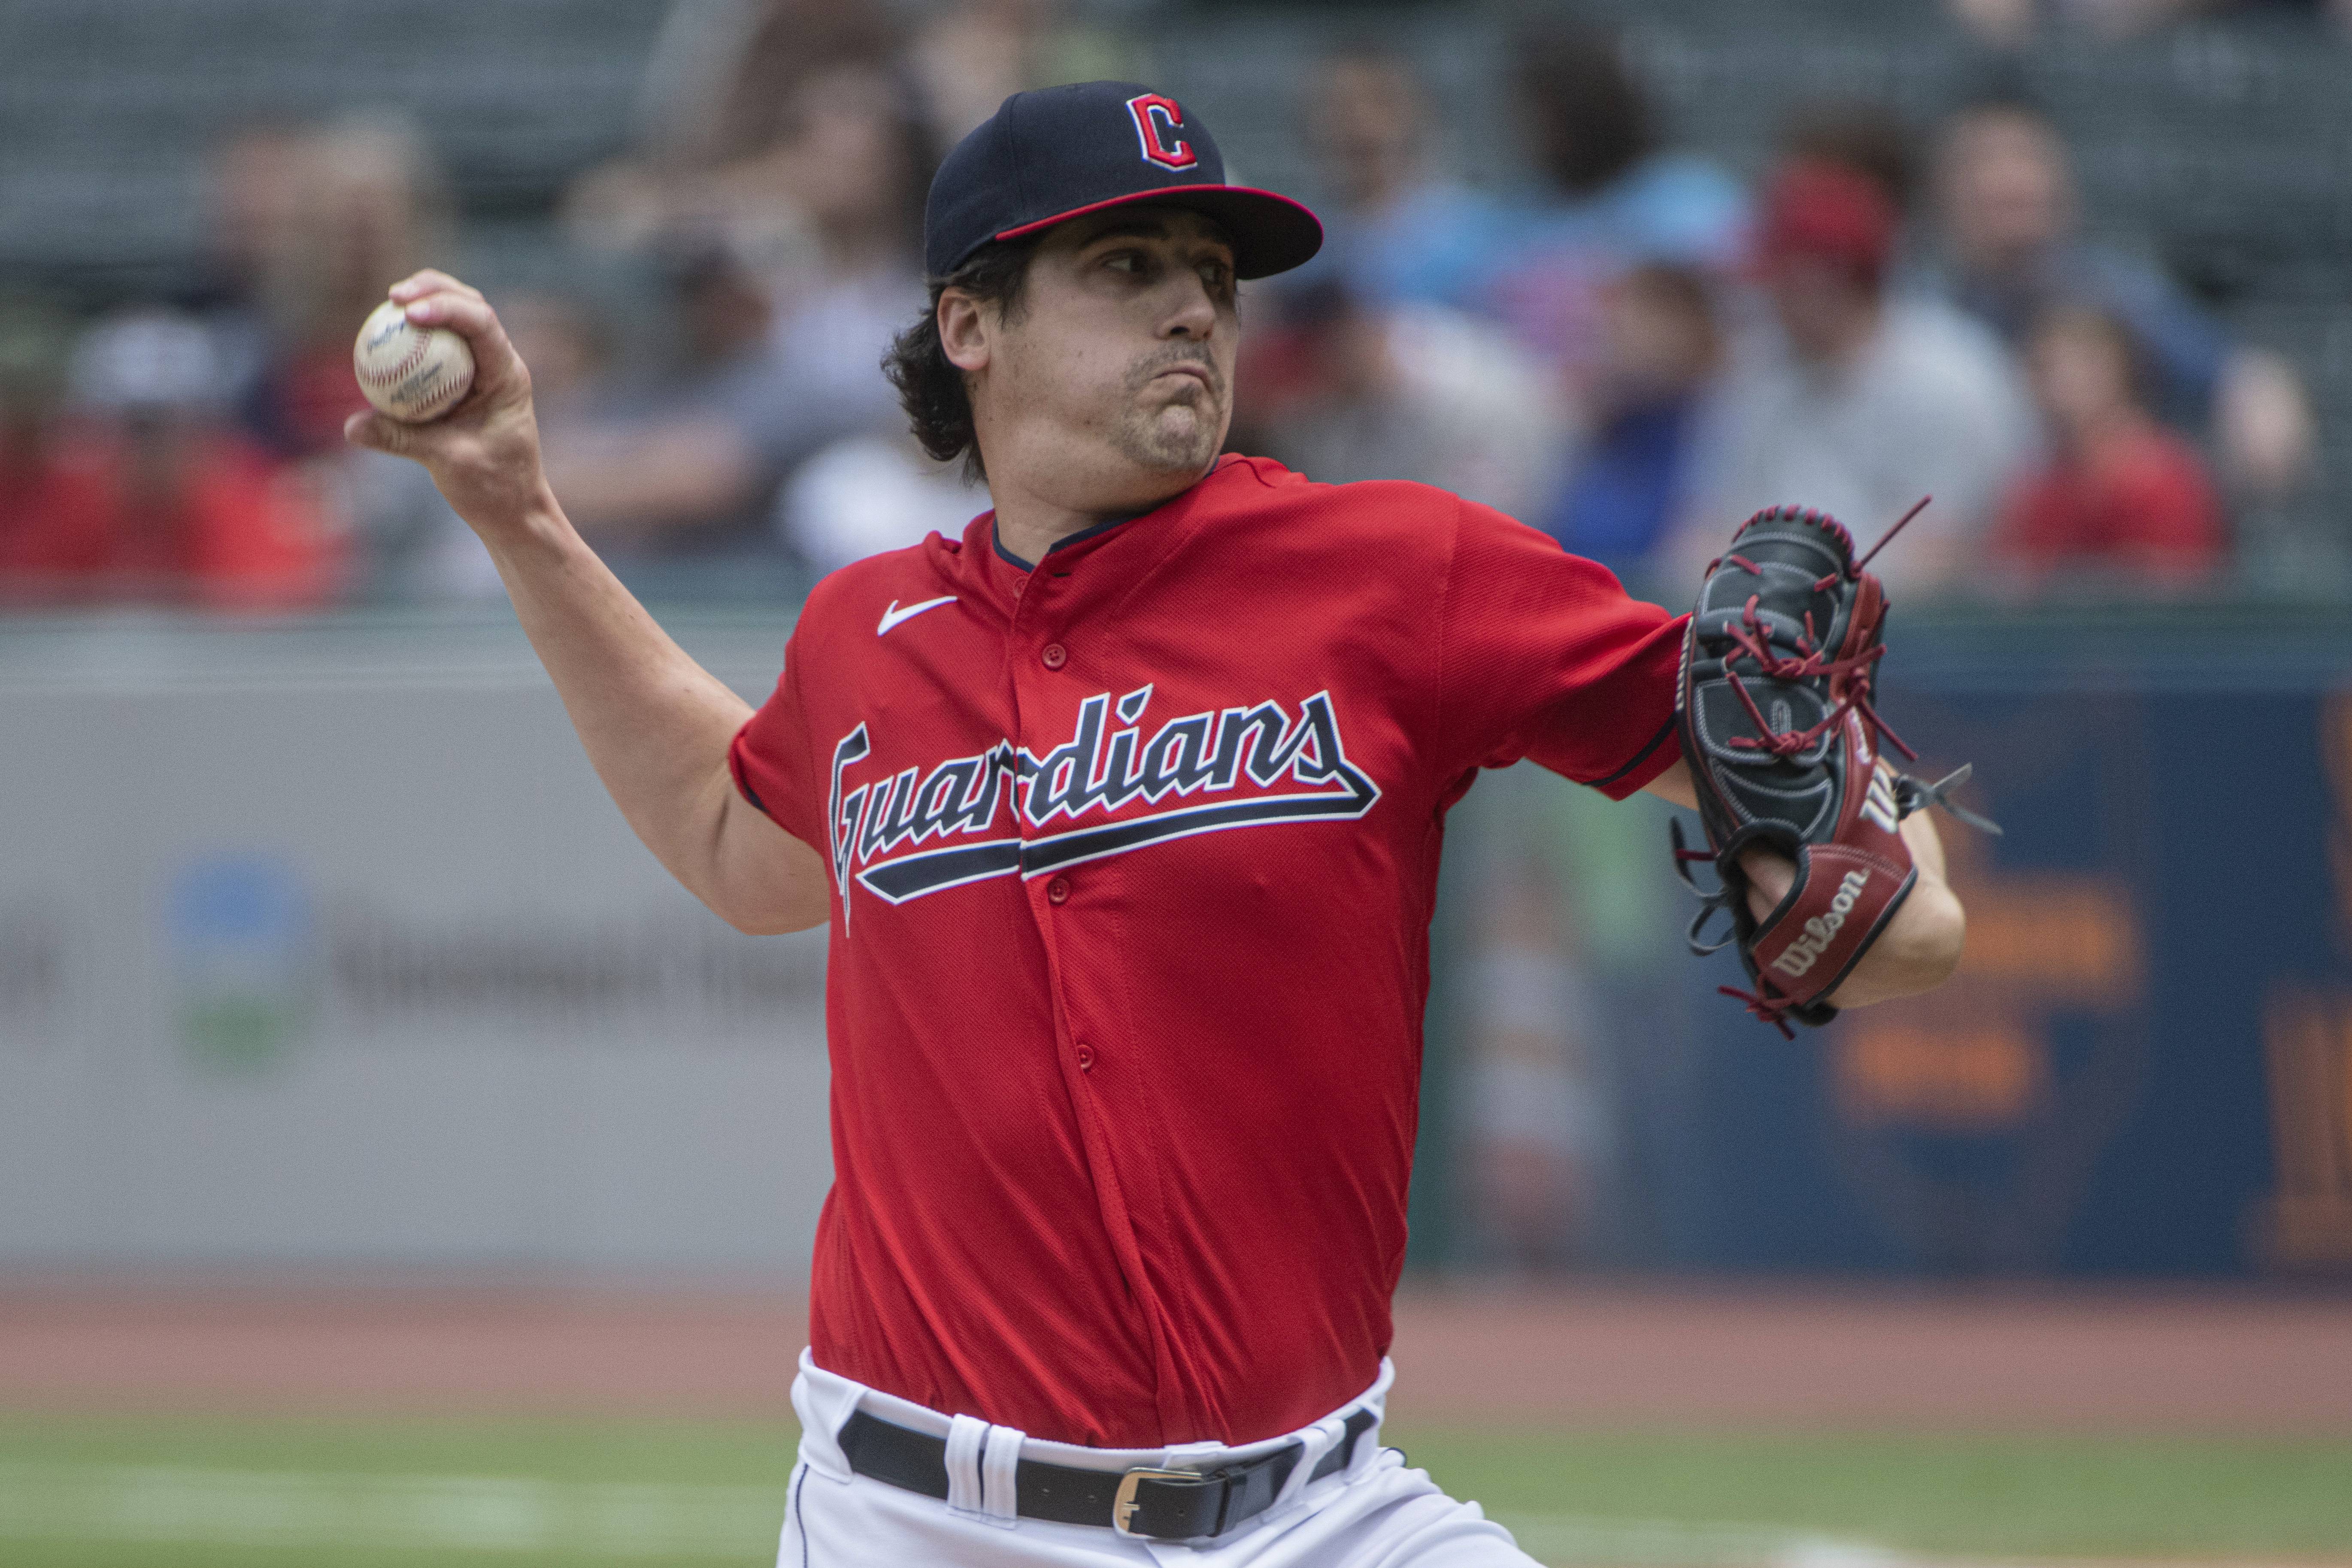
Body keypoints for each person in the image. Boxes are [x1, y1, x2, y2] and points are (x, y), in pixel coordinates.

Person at [349, 82, 1964, 1567]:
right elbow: (731, 840)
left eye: (1213, 268)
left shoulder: (1398, 572)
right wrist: (515, 506)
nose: (1195, 302)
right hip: (919, 1517)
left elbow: (1803, 784)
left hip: (1319, 1511)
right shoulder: (867, 637)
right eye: (1127, 266)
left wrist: (1892, 862)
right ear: (969, 322)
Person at [1676, 158, 2037, 595]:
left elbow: (1944, 556)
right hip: (1766, 631)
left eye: (1783, 281)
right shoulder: (1754, 368)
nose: (1766, 296)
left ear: (1830, 283)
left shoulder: (1952, 380)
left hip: (1920, 640)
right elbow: (1703, 530)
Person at [1923, 97, 2312, 498]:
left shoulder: (2111, 294)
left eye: (2027, 160)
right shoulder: (1919, 314)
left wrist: (2263, 405)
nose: (2012, 180)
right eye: (1987, 163)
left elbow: (2240, 375)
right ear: (1946, 191)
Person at [1992, 304, 2228, 594]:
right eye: (2043, 369)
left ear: (2114, 369)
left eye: (2072, 366)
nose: (2054, 385)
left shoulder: (2164, 482)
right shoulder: (2041, 485)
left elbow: (2173, 608)